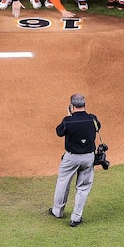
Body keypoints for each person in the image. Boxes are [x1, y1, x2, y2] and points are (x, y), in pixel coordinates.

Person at [49, 94, 100, 227]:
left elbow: (59, 132)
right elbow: (98, 127)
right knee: (83, 187)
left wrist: (69, 116)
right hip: (88, 157)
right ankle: (76, 218)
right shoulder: (92, 119)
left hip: (71, 158)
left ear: (72, 106)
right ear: (84, 105)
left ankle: (57, 211)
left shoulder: (68, 120)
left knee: (63, 183)